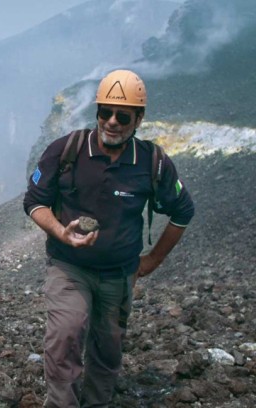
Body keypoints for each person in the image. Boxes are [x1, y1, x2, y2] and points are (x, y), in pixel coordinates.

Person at [23, 69, 194, 407]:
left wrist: (152, 261)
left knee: (107, 348)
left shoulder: (152, 163)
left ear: (139, 119)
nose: (112, 121)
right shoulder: (66, 150)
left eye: (123, 115)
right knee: (66, 334)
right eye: (105, 112)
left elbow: (183, 212)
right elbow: (34, 201)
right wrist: (60, 231)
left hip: (119, 274)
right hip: (68, 266)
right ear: (98, 112)